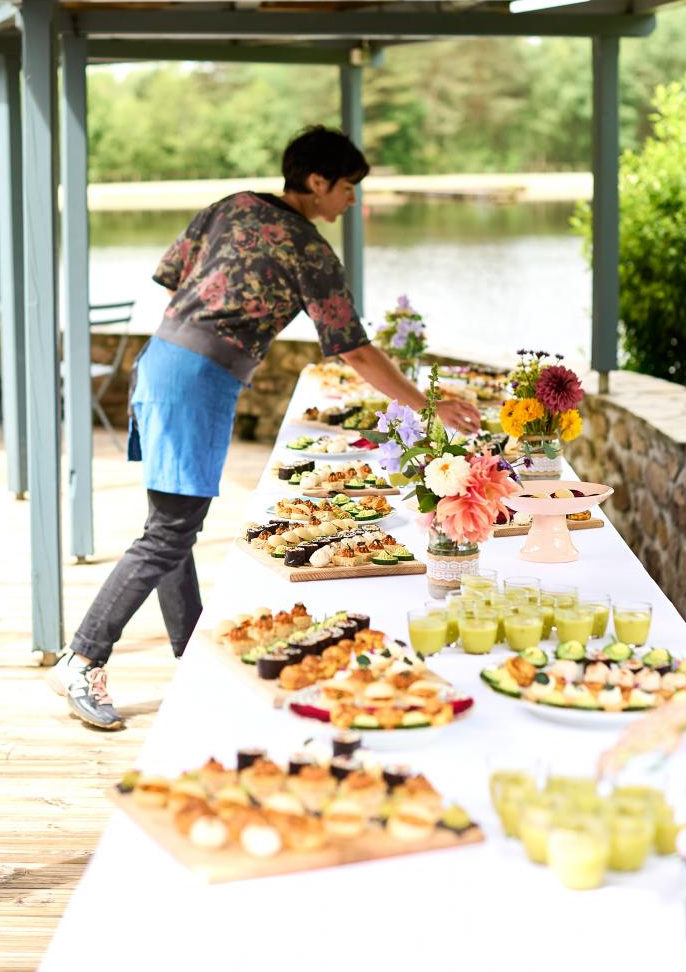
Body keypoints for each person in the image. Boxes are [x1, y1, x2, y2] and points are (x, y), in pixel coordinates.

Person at [47, 125, 480, 730]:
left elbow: (173, 277)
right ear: (316, 181)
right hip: (197, 379)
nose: (350, 201)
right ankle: (83, 656)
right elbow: (353, 350)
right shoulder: (310, 250)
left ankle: (191, 656)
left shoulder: (231, 206)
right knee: (170, 531)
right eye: (348, 188)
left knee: (171, 525)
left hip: (163, 360)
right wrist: (428, 406)